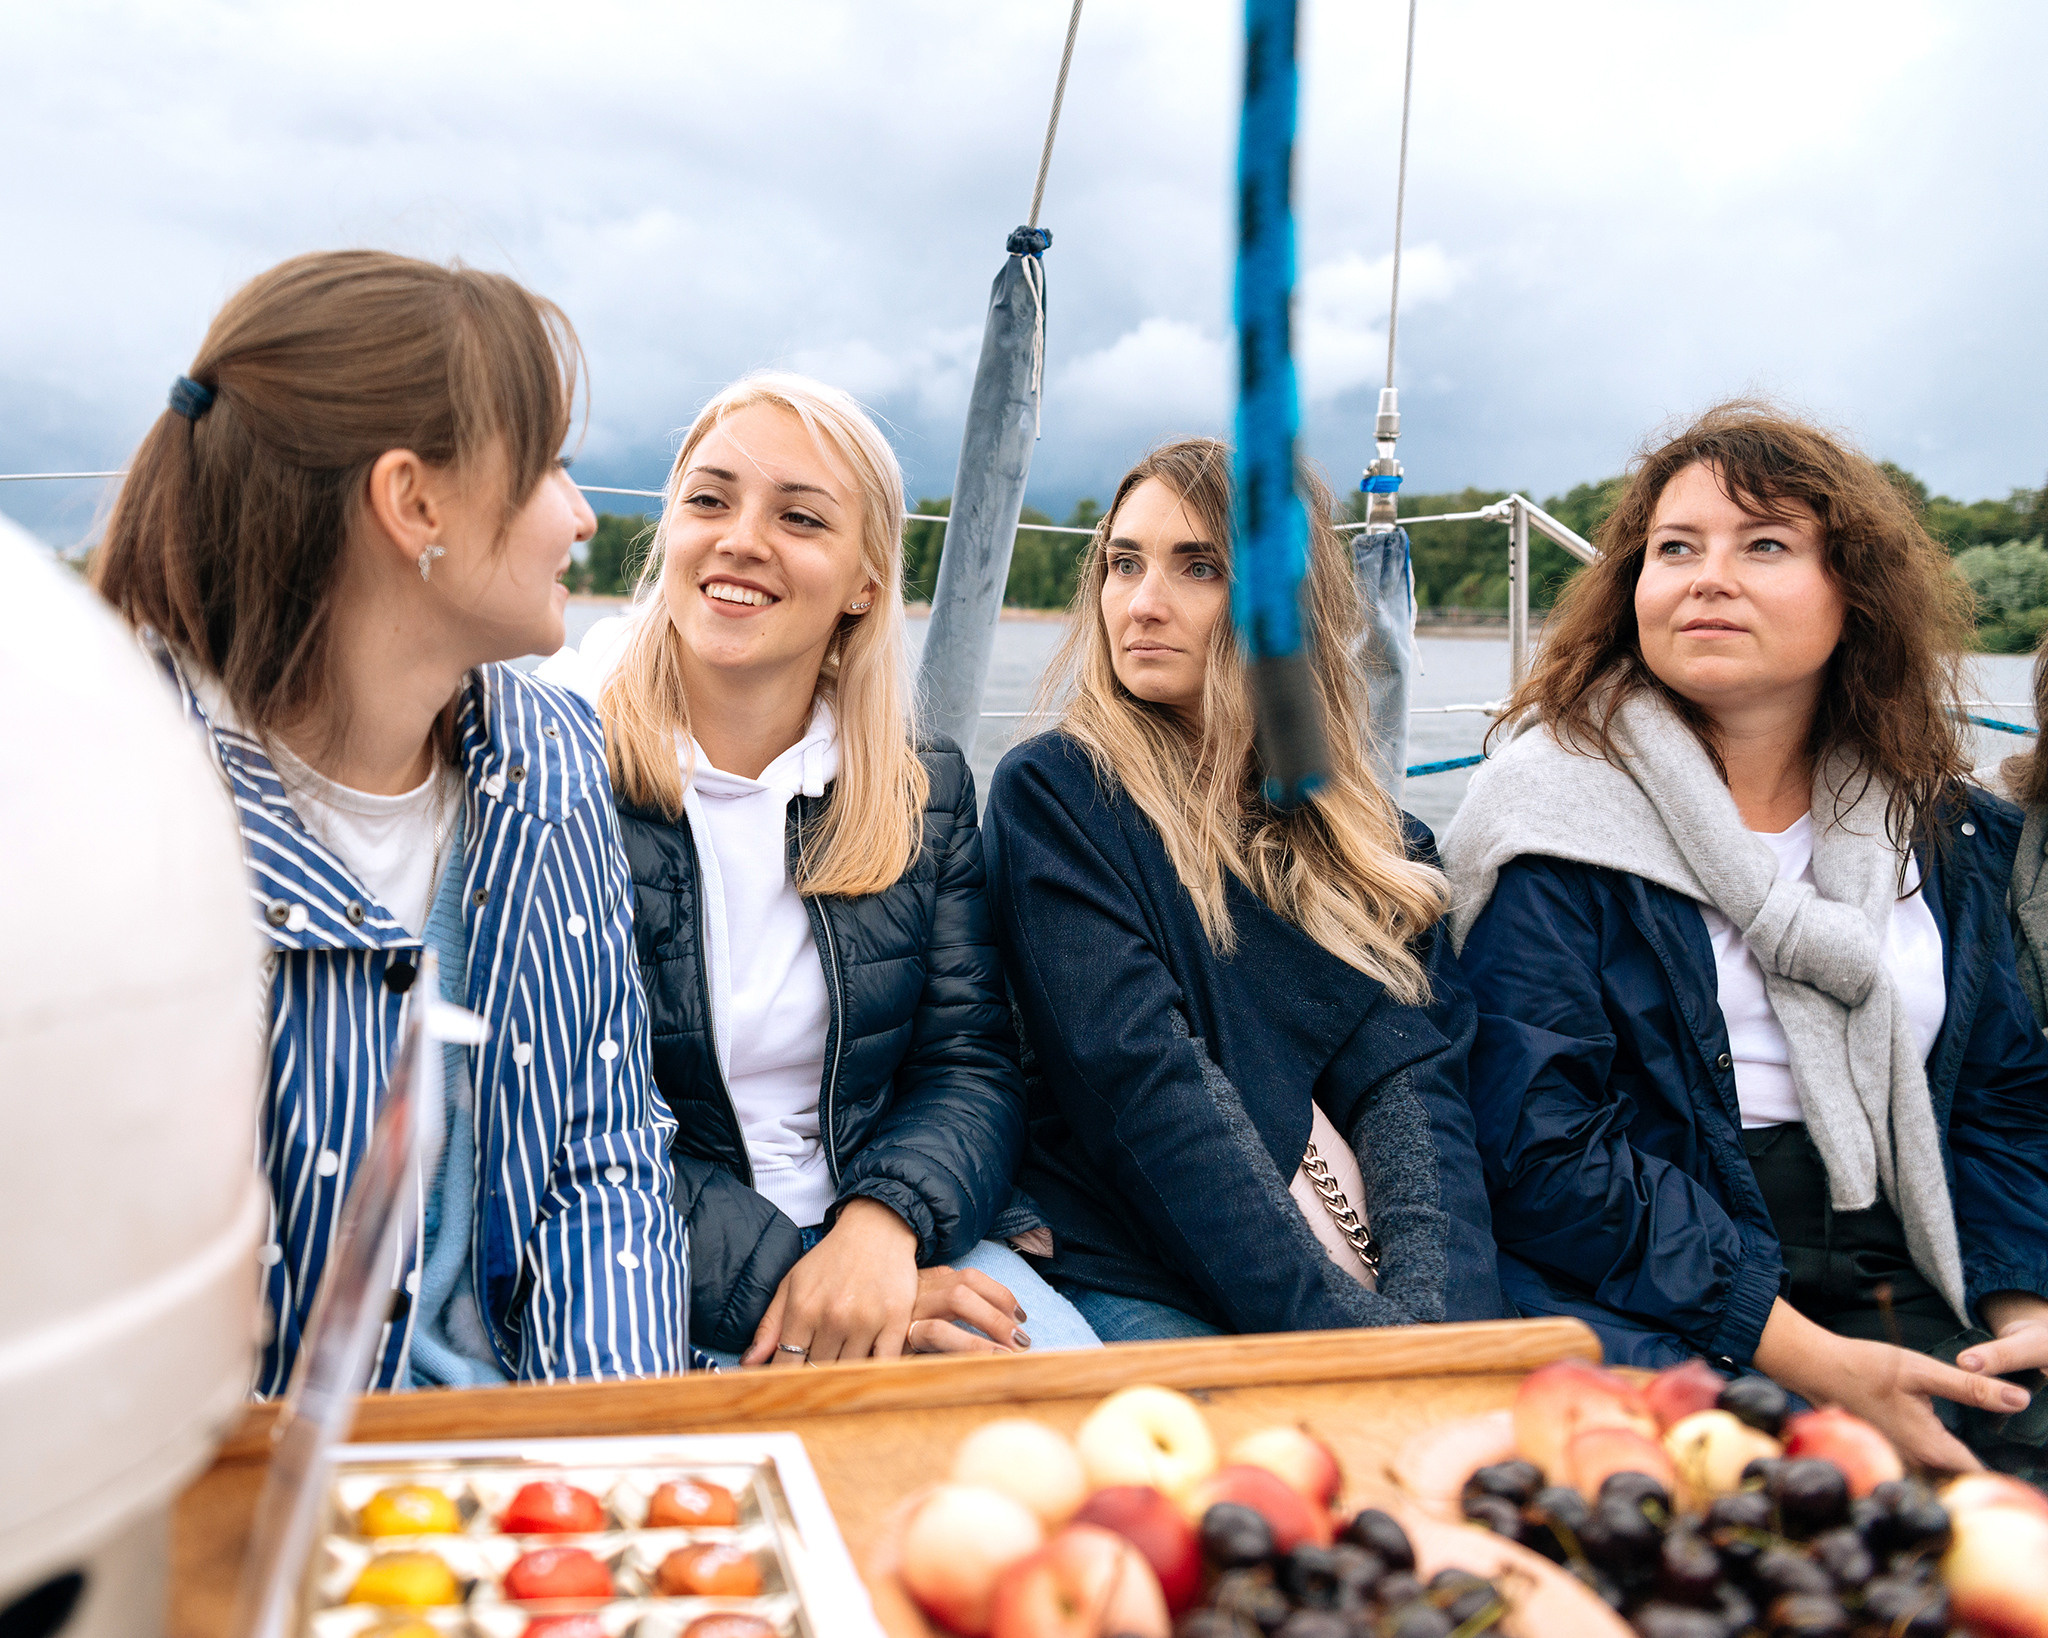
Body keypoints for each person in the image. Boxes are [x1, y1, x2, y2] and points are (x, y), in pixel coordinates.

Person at [93, 250, 689, 1393]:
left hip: (525, 1448)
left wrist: (605, 1443)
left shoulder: (554, 761)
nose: (579, 517)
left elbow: (601, 1153)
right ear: (414, 503)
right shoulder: (125, 815)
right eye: (549, 465)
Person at [1445, 401, 2048, 1474]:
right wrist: (1814, 1361)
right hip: (1649, 1284)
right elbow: (1540, 1151)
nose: (1706, 578)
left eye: (1763, 545)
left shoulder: (1935, 829)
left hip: (1913, 1252)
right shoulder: (1550, 821)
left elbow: (1997, 1094)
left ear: (1853, 593)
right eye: (1674, 548)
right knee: (1788, 1495)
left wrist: (2022, 1310)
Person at [542, 372, 1097, 1365]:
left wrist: (880, 1228)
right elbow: (555, 1113)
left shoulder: (918, 789)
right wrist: (803, 1287)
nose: (741, 539)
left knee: (1072, 1415)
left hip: (894, 1241)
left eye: (799, 517)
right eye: (708, 500)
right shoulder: (557, 771)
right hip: (649, 1265)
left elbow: (966, 1064)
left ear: (864, 583)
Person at [981, 437, 1504, 1343]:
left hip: (1349, 1287)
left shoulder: (1378, 845)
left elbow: (1416, 1094)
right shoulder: (1060, 797)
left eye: (1200, 568)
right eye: (1123, 564)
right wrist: (1355, 1347)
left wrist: (1438, 1335)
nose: (1142, 604)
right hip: (1142, 1260)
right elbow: (1148, 1092)